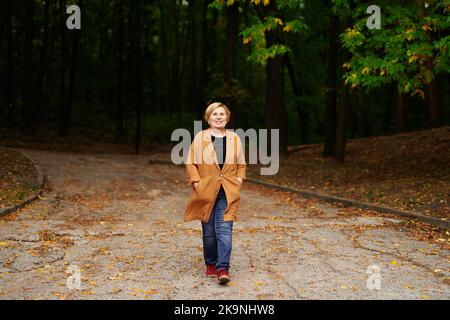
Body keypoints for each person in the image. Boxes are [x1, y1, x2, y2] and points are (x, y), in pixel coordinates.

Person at [184, 102, 246, 285]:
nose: (219, 117)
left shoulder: (235, 138)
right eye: (215, 114)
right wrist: (196, 182)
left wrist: (239, 179)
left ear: (227, 117)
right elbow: (191, 163)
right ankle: (210, 263)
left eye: (222, 114)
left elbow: (241, 164)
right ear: (208, 117)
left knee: (225, 230)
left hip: (227, 192)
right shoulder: (200, 138)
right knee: (209, 233)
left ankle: (223, 268)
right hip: (206, 192)